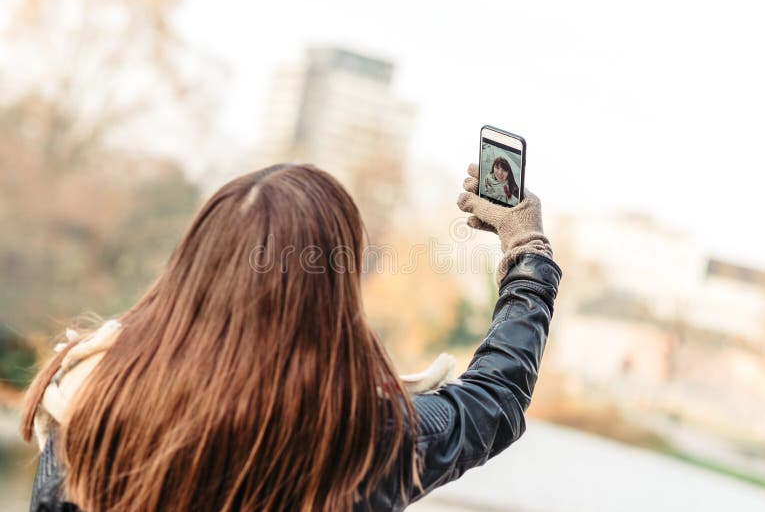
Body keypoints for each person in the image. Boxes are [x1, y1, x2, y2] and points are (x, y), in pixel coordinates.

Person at [20, 162, 561, 511]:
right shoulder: (363, 436)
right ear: (332, 299)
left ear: (192, 266)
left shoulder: (91, 397)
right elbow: (495, 399)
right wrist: (527, 250)